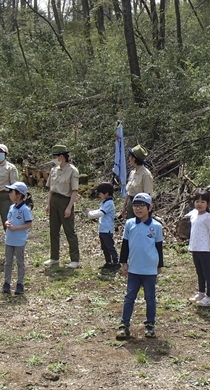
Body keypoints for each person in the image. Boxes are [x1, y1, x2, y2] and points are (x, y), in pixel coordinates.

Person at [116, 193, 164, 340]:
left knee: (150, 298)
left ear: (150, 208)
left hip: (149, 268)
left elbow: (159, 247)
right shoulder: (130, 223)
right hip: (134, 268)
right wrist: (124, 263)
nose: (138, 208)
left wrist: (159, 266)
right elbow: (125, 245)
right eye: (136, 205)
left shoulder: (156, 226)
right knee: (129, 297)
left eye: (142, 205)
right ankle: (124, 325)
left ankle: (150, 325)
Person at [44, 144, 81, 269]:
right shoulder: (54, 170)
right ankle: (54, 257)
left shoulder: (72, 170)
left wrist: (69, 207)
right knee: (53, 231)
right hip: (54, 200)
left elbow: (74, 191)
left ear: (61, 156)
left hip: (66, 201)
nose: (54, 159)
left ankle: (75, 259)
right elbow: (51, 189)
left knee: (69, 231)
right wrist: (48, 204)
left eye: (55, 157)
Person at [187, 189, 210, 307]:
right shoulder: (193, 214)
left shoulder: (208, 217)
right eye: (197, 201)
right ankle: (201, 292)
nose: (199, 204)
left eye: (202, 202)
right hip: (195, 248)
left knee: (207, 272)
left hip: (204, 249)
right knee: (199, 272)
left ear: (208, 204)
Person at [2, 182, 33, 295]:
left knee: (20, 262)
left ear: (19, 194)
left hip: (19, 241)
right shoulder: (11, 207)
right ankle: (7, 283)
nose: (9, 194)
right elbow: (8, 219)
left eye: (11, 192)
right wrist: (6, 223)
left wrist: (16, 228)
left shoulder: (25, 209)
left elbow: (29, 225)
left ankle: (20, 284)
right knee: (8, 262)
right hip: (9, 240)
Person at [85, 182, 119, 272]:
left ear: (106, 193)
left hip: (107, 229)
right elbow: (99, 210)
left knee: (109, 246)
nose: (99, 195)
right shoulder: (105, 202)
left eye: (100, 193)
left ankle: (116, 262)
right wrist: (91, 212)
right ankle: (108, 262)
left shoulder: (109, 203)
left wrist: (90, 214)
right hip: (102, 228)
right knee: (104, 247)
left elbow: (101, 213)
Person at [121, 144, 153, 219]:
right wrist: (124, 206)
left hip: (140, 207)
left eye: (130, 157)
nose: (129, 159)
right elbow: (129, 192)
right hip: (130, 205)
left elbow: (147, 195)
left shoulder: (146, 174)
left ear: (134, 159)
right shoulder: (133, 172)